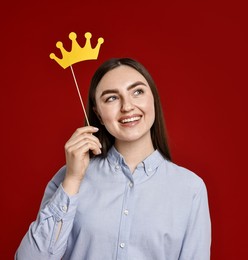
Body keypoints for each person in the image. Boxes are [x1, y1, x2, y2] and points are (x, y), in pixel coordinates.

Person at [15, 58, 211, 260]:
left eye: (137, 92)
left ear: (153, 99)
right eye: (111, 98)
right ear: (98, 114)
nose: (127, 106)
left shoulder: (190, 189)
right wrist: (73, 180)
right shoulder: (70, 176)